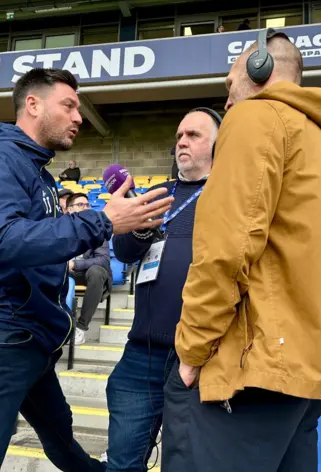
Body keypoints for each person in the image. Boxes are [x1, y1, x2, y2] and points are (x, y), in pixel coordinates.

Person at [162, 29, 321, 472]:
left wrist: (191, 352)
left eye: (229, 88)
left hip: (254, 368)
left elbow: (225, 251)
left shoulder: (253, 119)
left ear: (258, 70)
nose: (226, 104)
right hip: (306, 373)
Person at [0, 68, 173, 472]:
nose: (79, 117)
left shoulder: (39, 173)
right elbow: (5, 241)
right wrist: (103, 221)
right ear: (32, 104)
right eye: (68, 105)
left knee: (63, 443)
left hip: (28, 337)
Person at [106, 107, 220, 472]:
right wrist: (141, 227)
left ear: (219, 144)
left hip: (203, 357)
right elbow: (124, 252)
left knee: (185, 463)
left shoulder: (229, 194)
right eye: (179, 136)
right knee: (122, 462)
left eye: (194, 135)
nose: (182, 142)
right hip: (143, 353)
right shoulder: (160, 194)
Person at [67, 192, 112, 346]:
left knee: (96, 271)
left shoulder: (98, 229)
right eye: (81, 205)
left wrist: (74, 265)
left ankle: (81, 327)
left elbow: (103, 259)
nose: (85, 207)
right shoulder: (61, 228)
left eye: (87, 205)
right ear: (69, 209)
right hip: (66, 271)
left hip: (87, 271)